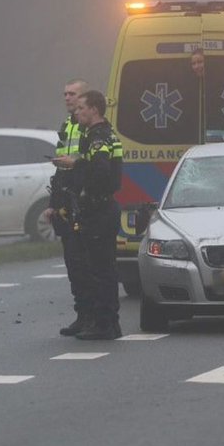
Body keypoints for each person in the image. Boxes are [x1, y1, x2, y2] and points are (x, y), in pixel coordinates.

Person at [68, 90, 124, 340]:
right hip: (100, 208)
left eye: (81, 108)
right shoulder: (99, 135)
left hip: (99, 209)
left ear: (94, 109)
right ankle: (105, 322)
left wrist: (76, 164)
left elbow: (101, 174)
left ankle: (105, 325)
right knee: (100, 268)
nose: (77, 112)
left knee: (100, 270)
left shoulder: (99, 138)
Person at [44, 79, 93, 336]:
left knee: (86, 264)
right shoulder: (67, 125)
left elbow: (88, 164)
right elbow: (60, 170)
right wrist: (53, 204)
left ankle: (92, 316)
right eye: (64, 94)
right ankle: (82, 315)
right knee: (73, 264)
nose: (67, 98)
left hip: (83, 203)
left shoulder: (88, 127)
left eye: (72, 94)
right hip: (66, 202)